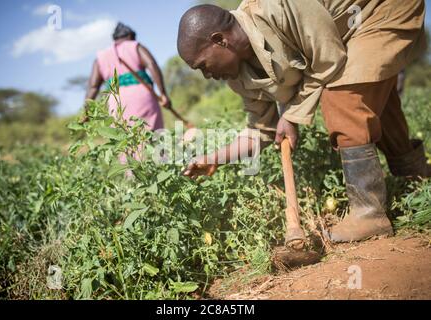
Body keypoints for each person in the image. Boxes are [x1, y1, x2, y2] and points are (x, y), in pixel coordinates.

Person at [177, 0, 429, 243]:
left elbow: (328, 59)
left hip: (376, 11)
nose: (207, 75)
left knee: (342, 96)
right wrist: (215, 158)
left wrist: (291, 115)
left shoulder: (276, 7)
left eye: (202, 65)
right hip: (344, 38)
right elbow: (261, 130)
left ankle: (368, 213)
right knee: (370, 98)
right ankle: (416, 180)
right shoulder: (238, 76)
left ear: (220, 40)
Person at [84, 22, 171, 131]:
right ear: (130, 36)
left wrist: (86, 112)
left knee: (124, 138)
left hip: (116, 101)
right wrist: (163, 94)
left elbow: (93, 86)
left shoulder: (101, 57)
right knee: (152, 137)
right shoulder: (135, 46)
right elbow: (152, 64)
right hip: (142, 96)